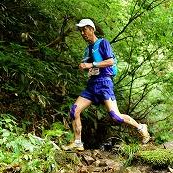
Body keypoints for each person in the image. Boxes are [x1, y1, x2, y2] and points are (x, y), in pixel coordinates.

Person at [64, 19, 150, 151]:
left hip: (105, 83)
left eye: (84, 29)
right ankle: (77, 142)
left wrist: (91, 65)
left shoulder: (103, 43)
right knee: (74, 110)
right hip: (92, 85)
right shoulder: (88, 49)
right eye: (81, 31)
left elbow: (110, 61)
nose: (82, 33)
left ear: (91, 29)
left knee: (116, 116)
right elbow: (88, 66)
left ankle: (140, 127)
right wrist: (85, 67)